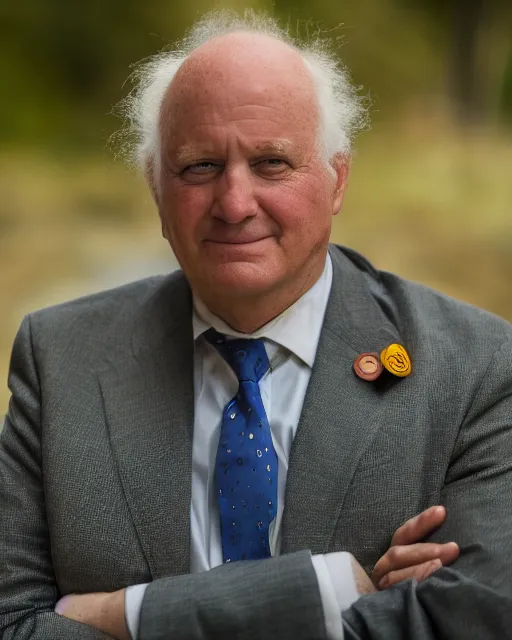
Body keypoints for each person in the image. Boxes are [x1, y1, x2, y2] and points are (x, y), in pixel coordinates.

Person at [1, 9, 512, 640]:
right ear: (156, 189)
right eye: (199, 167)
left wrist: (120, 616)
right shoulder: (60, 360)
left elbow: (481, 618)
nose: (236, 204)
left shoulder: (478, 367)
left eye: (271, 163)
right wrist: (321, 593)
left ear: (337, 179)